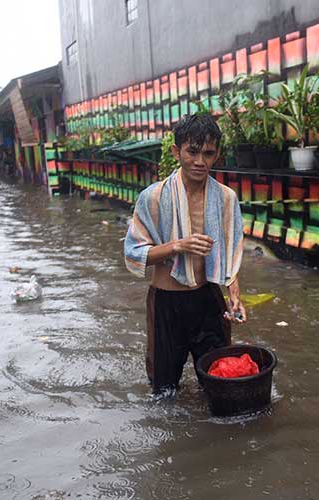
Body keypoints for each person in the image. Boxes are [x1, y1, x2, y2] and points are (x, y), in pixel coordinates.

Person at [124, 113, 245, 394]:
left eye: (208, 153)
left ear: (217, 155)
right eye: (192, 151)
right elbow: (133, 253)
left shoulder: (226, 198)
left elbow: (230, 254)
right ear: (176, 151)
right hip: (166, 303)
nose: (200, 161)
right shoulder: (153, 198)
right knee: (163, 390)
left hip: (208, 299)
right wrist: (178, 245)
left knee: (220, 382)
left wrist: (235, 295)